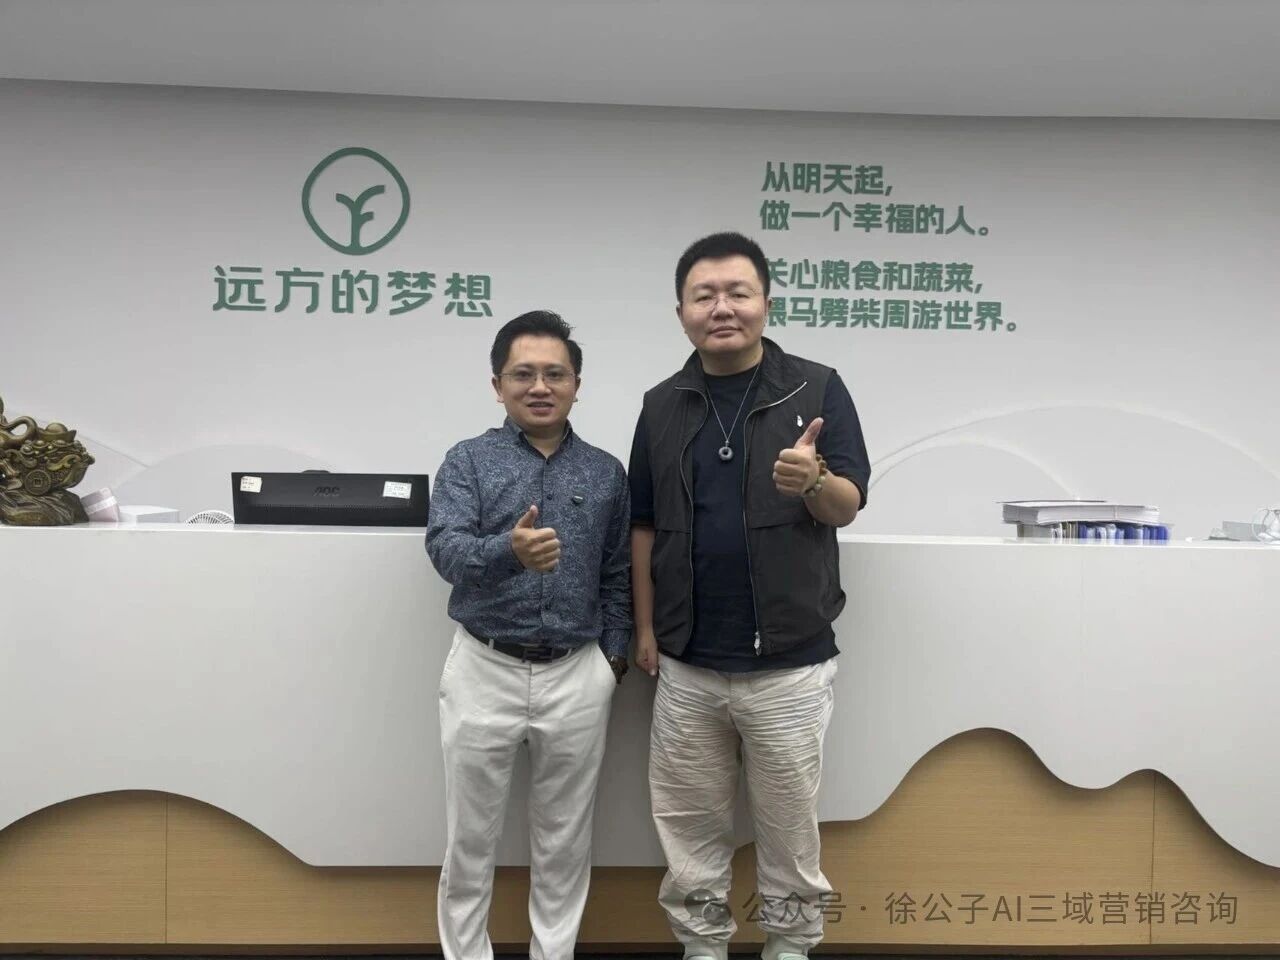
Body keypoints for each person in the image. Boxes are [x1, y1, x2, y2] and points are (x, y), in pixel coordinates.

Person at [629, 232, 870, 960]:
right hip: (687, 663)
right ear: (681, 312)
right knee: (689, 829)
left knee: (789, 832)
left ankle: (790, 945)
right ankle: (702, 946)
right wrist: (646, 630)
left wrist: (814, 481)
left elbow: (848, 505)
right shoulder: (661, 405)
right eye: (704, 296)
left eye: (738, 292)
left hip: (789, 665)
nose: (722, 308)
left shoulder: (817, 389)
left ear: (766, 302)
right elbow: (644, 524)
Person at [426, 310, 631, 960]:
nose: (540, 386)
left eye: (554, 374)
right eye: (523, 374)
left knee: (564, 839)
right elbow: (445, 550)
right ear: (498, 385)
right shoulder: (468, 460)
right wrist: (508, 552)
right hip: (484, 666)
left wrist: (612, 661)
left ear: (576, 385)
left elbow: (619, 574)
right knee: (470, 838)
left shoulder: (606, 472)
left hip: (577, 672)